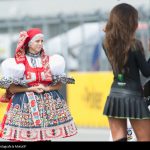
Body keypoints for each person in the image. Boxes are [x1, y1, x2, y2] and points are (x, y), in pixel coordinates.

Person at [0, 28, 77, 141]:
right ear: (29, 43)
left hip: (46, 106)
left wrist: (47, 87)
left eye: (42, 41)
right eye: (37, 41)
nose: (40, 44)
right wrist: (32, 88)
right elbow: (12, 89)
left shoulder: (51, 61)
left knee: (45, 137)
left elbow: (59, 85)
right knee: (28, 138)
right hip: (25, 104)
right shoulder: (18, 64)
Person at [102, 3, 150, 141]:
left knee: (119, 138)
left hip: (115, 94)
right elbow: (146, 72)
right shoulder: (135, 44)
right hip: (134, 96)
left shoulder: (106, 42)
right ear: (130, 22)